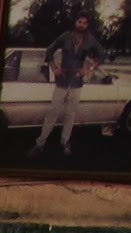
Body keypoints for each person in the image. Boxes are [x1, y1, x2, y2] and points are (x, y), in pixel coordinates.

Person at [30, 12, 102, 157]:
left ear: (87, 25)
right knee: (53, 112)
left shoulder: (90, 40)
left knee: (70, 114)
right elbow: (50, 50)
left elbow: (102, 54)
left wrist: (89, 69)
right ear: (75, 23)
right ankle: (40, 143)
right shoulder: (66, 36)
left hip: (77, 83)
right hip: (62, 80)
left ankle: (64, 142)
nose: (82, 24)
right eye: (79, 21)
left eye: (84, 22)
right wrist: (54, 67)